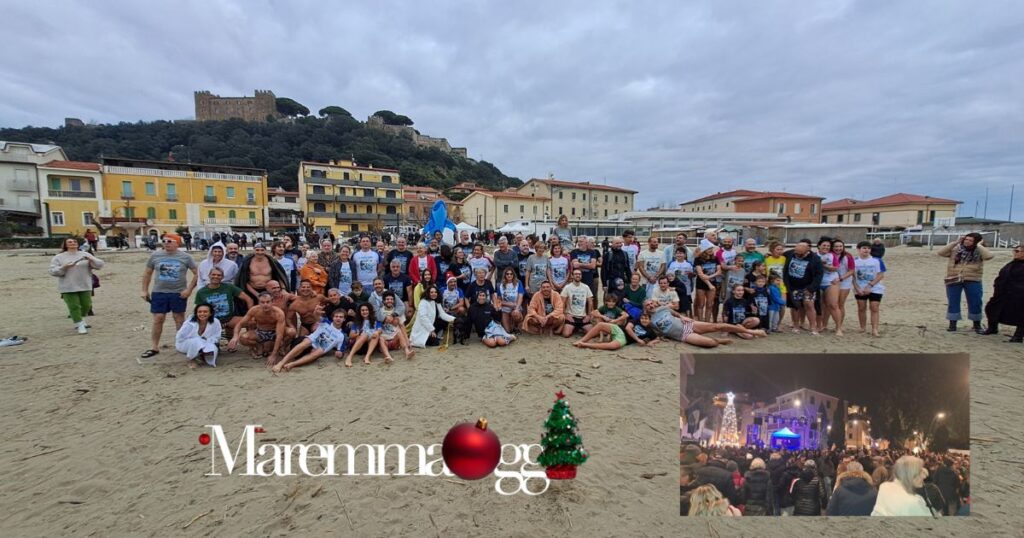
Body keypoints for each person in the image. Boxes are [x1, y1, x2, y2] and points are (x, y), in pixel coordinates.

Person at [141, 234, 198, 358]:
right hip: (159, 292)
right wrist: (144, 290)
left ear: (177, 243)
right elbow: (147, 274)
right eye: (164, 241)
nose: (166, 243)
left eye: (170, 241)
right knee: (158, 319)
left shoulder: (186, 257)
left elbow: (197, 273)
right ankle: (154, 347)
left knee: (179, 319)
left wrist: (189, 290)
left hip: (178, 293)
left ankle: (181, 344)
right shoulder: (155, 256)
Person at [645, 301, 765, 348]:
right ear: (645, 309)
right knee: (710, 343)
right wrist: (660, 338)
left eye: (651, 303)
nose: (650, 305)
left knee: (718, 326)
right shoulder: (649, 321)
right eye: (647, 305)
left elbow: (675, 312)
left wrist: (682, 316)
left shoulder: (663, 308)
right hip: (683, 335)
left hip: (689, 325)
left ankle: (751, 331)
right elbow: (655, 333)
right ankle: (718, 340)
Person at [938, 233, 993, 333]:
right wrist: (956, 242)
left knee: (975, 302)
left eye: (970, 240)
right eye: (966, 239)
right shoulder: (956, 249)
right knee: (953, 301)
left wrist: (979, 245)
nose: (967, 242)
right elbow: (941, 252)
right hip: (954, 278)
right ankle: (952, 324)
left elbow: (989, 256)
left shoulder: (979, 251)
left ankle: (976, 324)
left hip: (973, 279)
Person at [49, 237, 105, 334]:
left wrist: (91, 259)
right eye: (69, 242)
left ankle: (81, 319)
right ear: (66, 245)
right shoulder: (59, 257)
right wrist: (64, 267)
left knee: (86, 305)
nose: (72, 243)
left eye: (74, 241)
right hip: (68, 286)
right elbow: (53, 271)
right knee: (74, 306)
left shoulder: (85, 254)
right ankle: (80, 325)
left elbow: (99, 265)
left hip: (84, 284)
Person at [229, 292, 288, 365]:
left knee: (291, 332)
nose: (265, 305)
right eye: (262, 302)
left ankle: (281, 348)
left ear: (272, 302)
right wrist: (235, 336)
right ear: (259, 302)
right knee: (243, 338)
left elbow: (279, 335)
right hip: (260, 332)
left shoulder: (278, 313)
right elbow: (240, 324)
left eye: (268, 302)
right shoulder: (254, 310)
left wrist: (273, 355)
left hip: (274, 332)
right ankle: (258, 346)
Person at [195, 266, 252, 337]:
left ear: (222, 277)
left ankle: (248, 341)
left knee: (252, 322)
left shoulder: (229, 287)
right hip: (212, 320)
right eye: (213, 274)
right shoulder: (201, 292)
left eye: (219, 275)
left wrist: (250, 315)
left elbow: (248, 299)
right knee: (197, 328)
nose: (216, 277)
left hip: (229, 318)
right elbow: (198, 309)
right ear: (209, 275)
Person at [983, 246, 1024, 342]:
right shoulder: (1012, 263)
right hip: (1003, 293)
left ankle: (1018, 336)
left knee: (1021, 315)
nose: (1015, 253)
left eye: (1018, 251)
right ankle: (993, 328)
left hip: (1019, 294)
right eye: (1015, 251)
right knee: (991, 308)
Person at [783, 239, 823, 334]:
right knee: (795, 306)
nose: (797, 255)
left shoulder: (815, 258)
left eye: (800, 253)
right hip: (793, 286)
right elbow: (779, 255)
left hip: (808, 286)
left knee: (809, 305)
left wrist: (811, 288)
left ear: (808, 250)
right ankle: (796, 325)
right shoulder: (790, 253)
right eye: (796, 252)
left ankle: (813, 327)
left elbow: (819, 275)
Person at [853, 241, 887, 336]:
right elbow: (852, 277)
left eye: (868, 248)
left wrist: (870, 286)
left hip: (875, 288)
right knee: (861, 308)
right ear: (858, 249)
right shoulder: (854, 261)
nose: (866, 250)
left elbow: (880, 275)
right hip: (860, 288)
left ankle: (875, 329)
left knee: (874, 307)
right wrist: (857, 288)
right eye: (864, 248)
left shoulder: (877, 260)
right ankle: (862, 327)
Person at [175, 303, 222, 368]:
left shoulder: (215, 322)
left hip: (206, 342)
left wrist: (206, 340)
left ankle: (201, 355)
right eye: (199, 312)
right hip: (185, 344)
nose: (202, 314)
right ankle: (191, 359)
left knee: (212, 349)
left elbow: (217, 337)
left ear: (210, 313)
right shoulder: (190, 323)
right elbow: (179, 337)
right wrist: (199, 340)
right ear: (196, 313)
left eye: (205, 312)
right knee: (196, 341)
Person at [375, 293, 416, 359]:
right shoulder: (380, 311)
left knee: (399, 331)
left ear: (394, 301)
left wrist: (407, 341)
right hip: (384, 340)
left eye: (391, 299)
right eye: (387, 299)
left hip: (395, 340)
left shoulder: (398, 311)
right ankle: (388, 356)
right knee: (381, 338)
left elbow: (402, 326)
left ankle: (407, 352)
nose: (389, 301)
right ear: (383, 301)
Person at [816, 238, 842, 334]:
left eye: (828, 246)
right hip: (818, 283)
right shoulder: (814, 255)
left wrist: (824, 265)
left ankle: (838, 328)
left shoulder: (832, 255)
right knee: (819, 305)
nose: (826, 247)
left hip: (831, 282)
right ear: (819, 246)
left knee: (833, 305)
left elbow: (835, 268)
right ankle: (820, 326)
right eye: (824, 245)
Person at [561, 269, 594, 337]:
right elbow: (562, 302)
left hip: (583, 316)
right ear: (572, 276)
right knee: (566, 334)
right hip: (571, 316)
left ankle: (578, 327)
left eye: (579, 274)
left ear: (581, 276)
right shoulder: (567, 287)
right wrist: (565, 314)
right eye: (576, 274)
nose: (578, 275)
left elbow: (590, 302)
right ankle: (574, 327)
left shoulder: (586, 287)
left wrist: (588, 315)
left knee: (592, 334)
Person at [832, 239, 855, 335]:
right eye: (836, 246)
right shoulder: (830, 255)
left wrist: (841, 278)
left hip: (844, 282)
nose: (838, 248)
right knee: (832, 304)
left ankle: (839, 326)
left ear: (843, 247)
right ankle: (824, 324)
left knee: (840, 304)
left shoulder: (848, 256)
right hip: (832, 282)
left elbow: (851, 270)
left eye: (840, 246)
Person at [763, 241, 788, 328]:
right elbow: (765, 273)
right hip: (770, 285)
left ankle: (778, 324)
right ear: (772, 250)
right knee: (771, 305)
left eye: (781, 249)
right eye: (777, 249)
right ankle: (770, 324)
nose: (780, 251)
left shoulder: (784, 259)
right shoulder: (766, 259)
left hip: (782, 285)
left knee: (782, 305)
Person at [693, 248, 721, 322]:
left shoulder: (715, 258)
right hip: (701, 284)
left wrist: (709, 277)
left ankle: (707, 322)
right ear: (704, 249)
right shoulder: (698, 259)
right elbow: (700, 274)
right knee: (701, 304)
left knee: (710, 304)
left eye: (711, 248)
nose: (710, 250)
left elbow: (719, 272)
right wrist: (709, 284)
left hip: (712, 282)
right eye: (708, 248)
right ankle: (700, 322)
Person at [496, 268, 525, 334]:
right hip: (505, 308)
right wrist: (510, 304)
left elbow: (521, 296)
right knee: (507, 331)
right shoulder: (500, 285)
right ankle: (510, 325)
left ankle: (516, 327)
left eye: (511, 274)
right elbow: (499, 300)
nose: (509, 275)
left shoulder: (518, 282)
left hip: (516, 306)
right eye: (507, 274)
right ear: (505, 275)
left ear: (513, 275)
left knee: (516, 314)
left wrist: (517, 308)